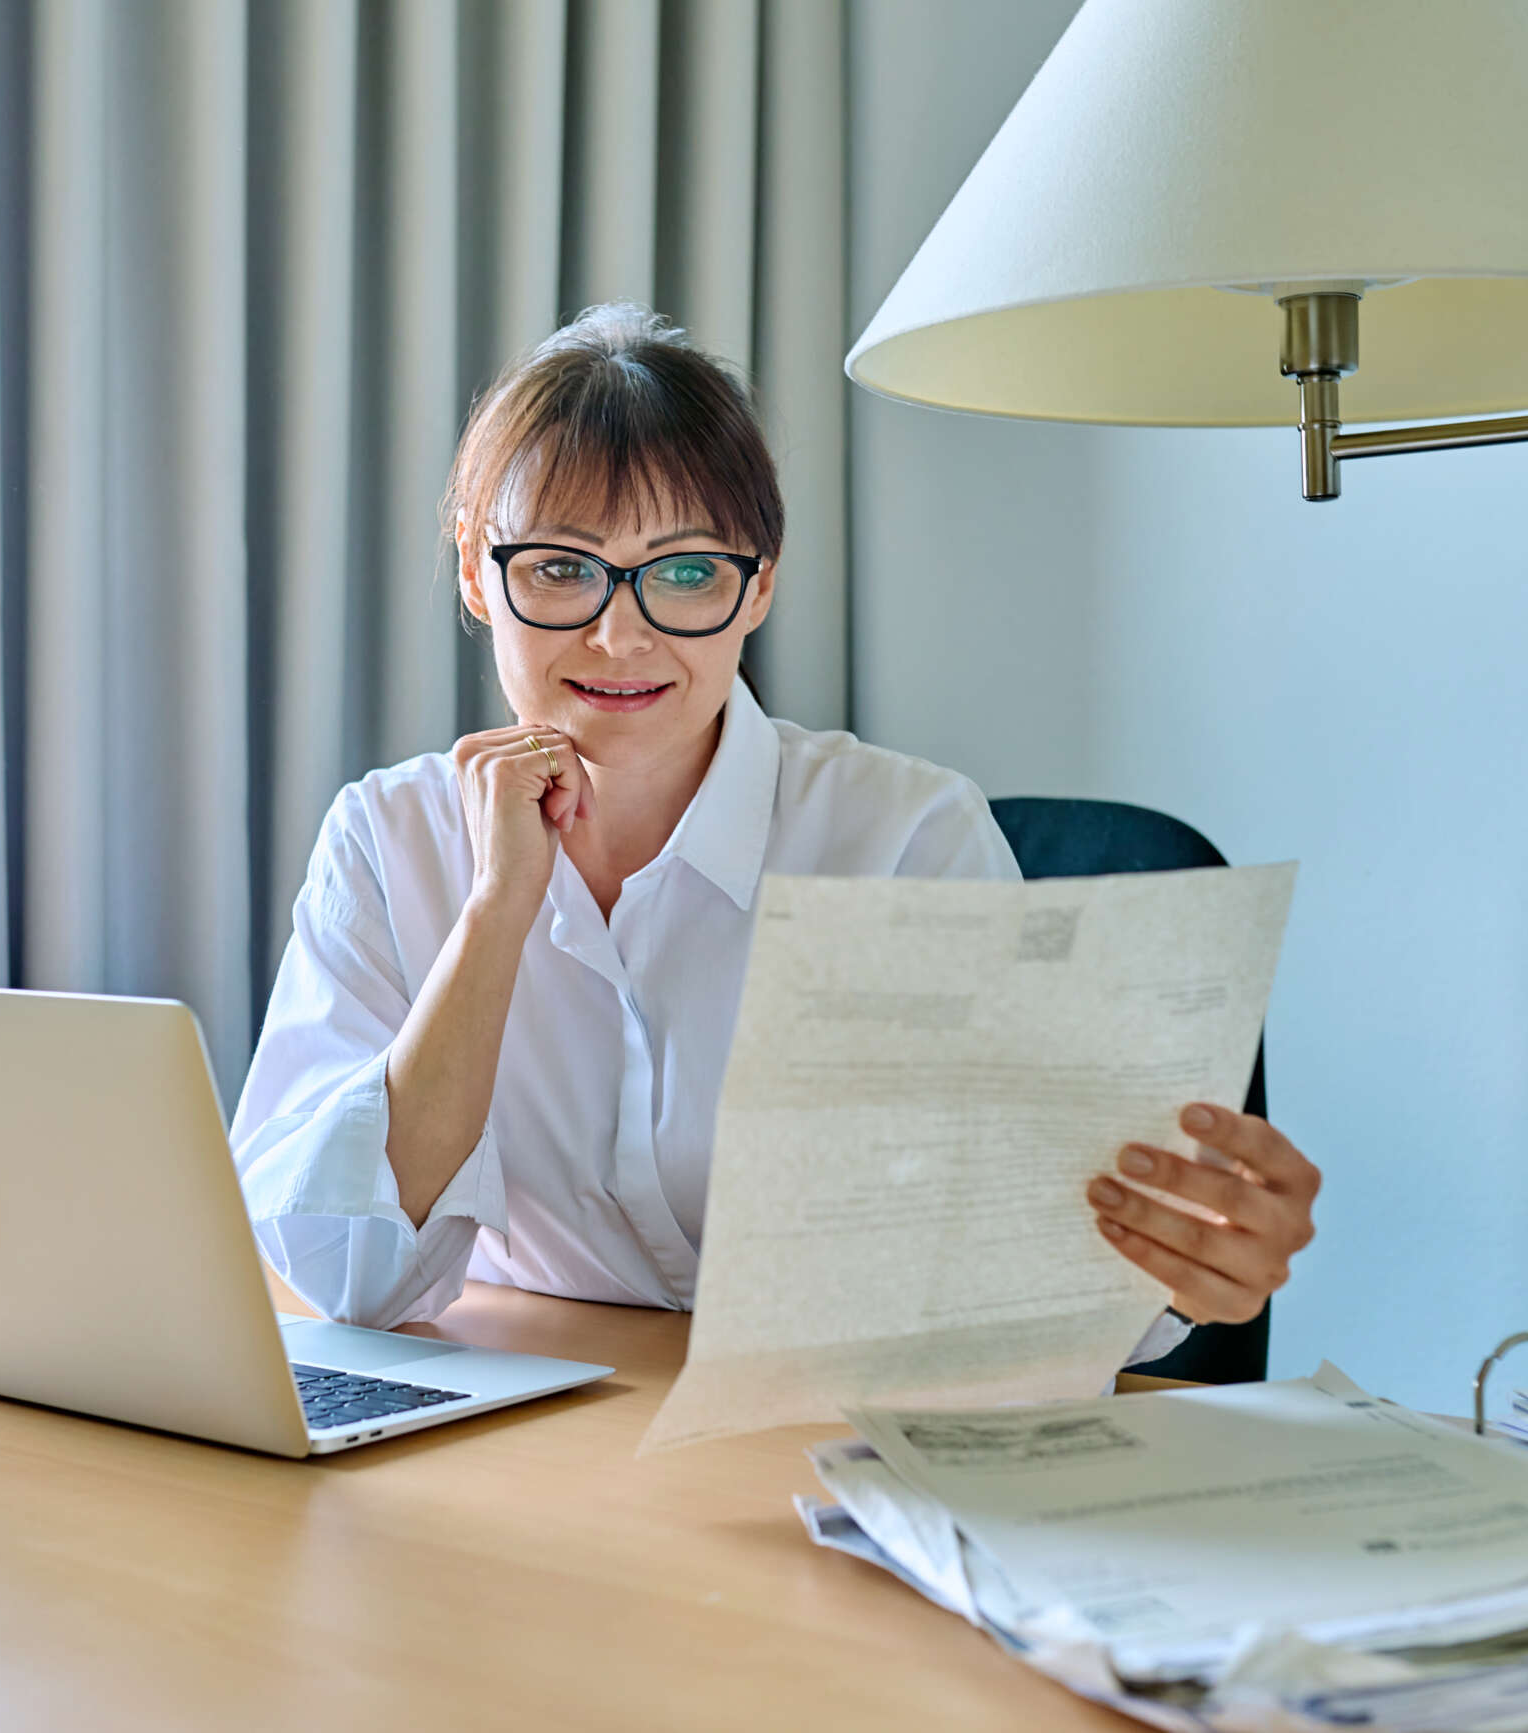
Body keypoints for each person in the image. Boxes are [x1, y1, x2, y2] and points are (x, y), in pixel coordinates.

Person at [233, 304, 1318, 1365]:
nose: (622, 632)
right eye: (560, 567)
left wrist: (1183, 1255)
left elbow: (1039, 1252)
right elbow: (347, 1277)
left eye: (687, 569)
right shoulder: (387, 836)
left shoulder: (904, 837)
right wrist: (492, 915)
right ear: (477, 569)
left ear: (760, 583)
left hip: (833, 1442)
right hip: (536, 1440)